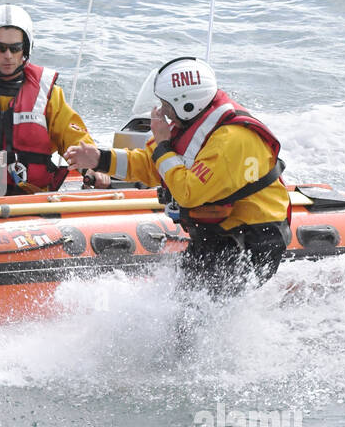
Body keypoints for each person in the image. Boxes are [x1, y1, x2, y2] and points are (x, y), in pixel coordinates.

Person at [65, 56, 291, 292]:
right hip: (219, 234)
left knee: (193, 315)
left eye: (166, 105)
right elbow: (153, 166)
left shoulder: (231, 141)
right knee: (181, 304)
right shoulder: (191, 123)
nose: (162, 111)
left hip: (253, 239)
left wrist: (163, 146)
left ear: (188, 104)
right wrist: (100, 159)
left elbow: (187, 193)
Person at [0, 4, 96, 197]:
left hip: (29, 198)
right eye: (1, 48)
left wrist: (91, 167)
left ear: (26, 48)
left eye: (15, 48)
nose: (8, 56)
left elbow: (75, 140)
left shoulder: (49, 95)